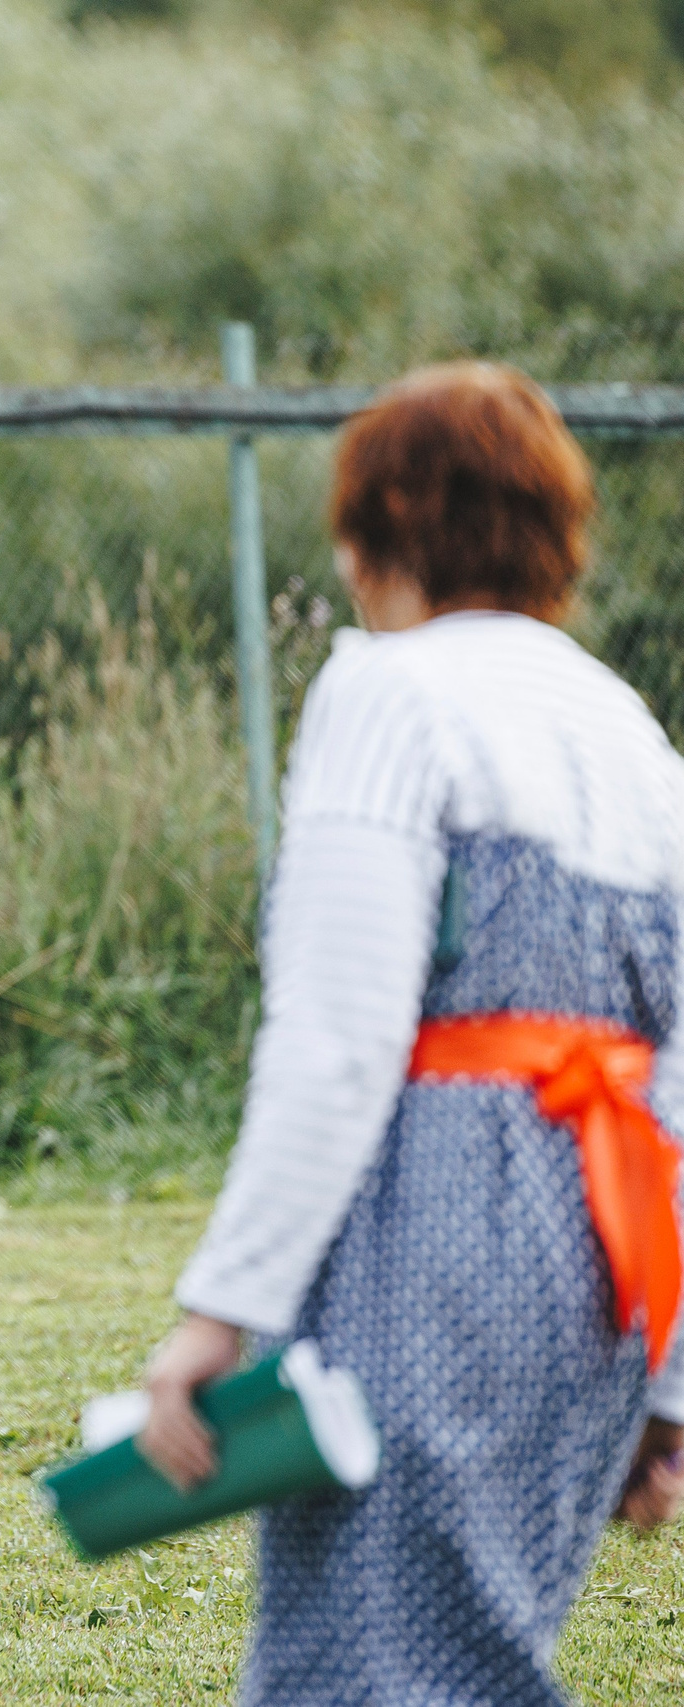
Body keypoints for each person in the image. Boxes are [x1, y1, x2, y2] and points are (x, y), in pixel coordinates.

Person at [136, 363, 684, 1705]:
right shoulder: (627, 727)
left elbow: (336, 1039)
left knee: (371, 1669)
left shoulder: (390, 693)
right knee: (477, 1655)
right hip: (603, 1258)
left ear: (374, 527)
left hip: (436, 1241)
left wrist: (221, 1309)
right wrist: (668, 1375)